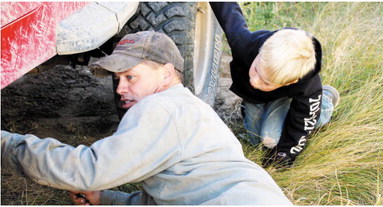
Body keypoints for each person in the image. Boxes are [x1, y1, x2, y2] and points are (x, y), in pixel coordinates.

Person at [1, 31, 292, 205]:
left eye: (131, 76)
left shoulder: (161, 107)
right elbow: (173, 196)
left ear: (166, 73)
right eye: (117, 79)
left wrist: (6, 144)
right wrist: (105, 199)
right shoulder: (187, 108)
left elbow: (88, 170)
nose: (120, 88)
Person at [209, 2, 340, 166]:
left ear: (291, 82)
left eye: (265, 81)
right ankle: (271, 102)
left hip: (286, 96)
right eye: (256, 70)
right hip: (255, 97)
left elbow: (303, 122)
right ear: (260, 51)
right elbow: (228, 12)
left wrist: (285, 154)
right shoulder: (245, 44)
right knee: (255, 139)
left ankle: (325, 101)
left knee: (270, 140)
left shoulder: (306, 85)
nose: (254, 81)